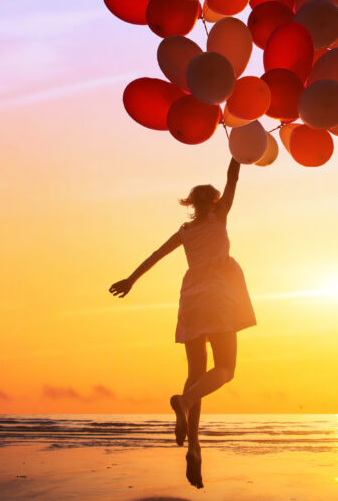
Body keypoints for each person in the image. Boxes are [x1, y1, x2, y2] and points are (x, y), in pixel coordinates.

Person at [108, 158, 256, 488]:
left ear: (192, 205)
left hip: (191, 299)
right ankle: (184, 403)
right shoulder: (220, 217)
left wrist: (131, 279)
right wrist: (237, 149)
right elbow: (233, 176)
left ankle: (194, 447)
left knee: (196, 373)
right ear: (215, 202)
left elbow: (156, 255)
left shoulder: (186, 231)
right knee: (226, 369)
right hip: (218, 297)